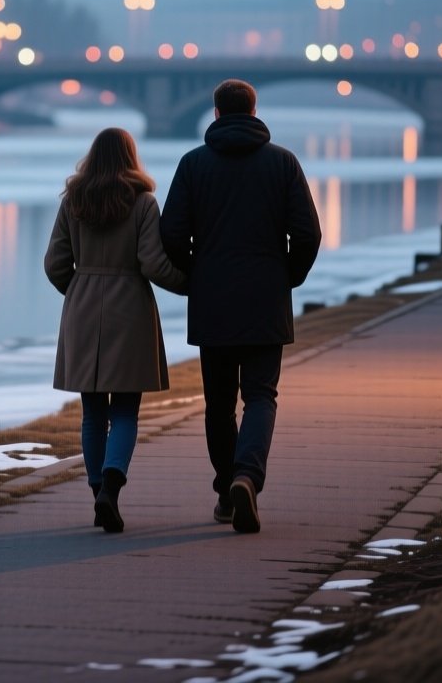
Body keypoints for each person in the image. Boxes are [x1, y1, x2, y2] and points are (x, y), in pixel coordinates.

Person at [160, 79, 321, 534]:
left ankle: (226, 491)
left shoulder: (193, 165)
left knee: (218, 404)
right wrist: (286, 275)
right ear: (253, 112)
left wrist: (196, 275)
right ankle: (247, 477)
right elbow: (308, 234)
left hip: (213, 300)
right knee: (260, 395)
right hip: (265, 299)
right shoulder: (283, 163)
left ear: (215, 114)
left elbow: (171, 235)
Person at [45, 127, 186, 533]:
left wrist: (78, 290)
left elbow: (54, 263)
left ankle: (97, 493)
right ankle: (112, 485)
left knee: (92, 412)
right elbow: (154, 264)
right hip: (130, 310)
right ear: (130, 157)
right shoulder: (142, 203)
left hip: (83, 308)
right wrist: (192, 285)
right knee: (125, 409)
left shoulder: (73, 200)